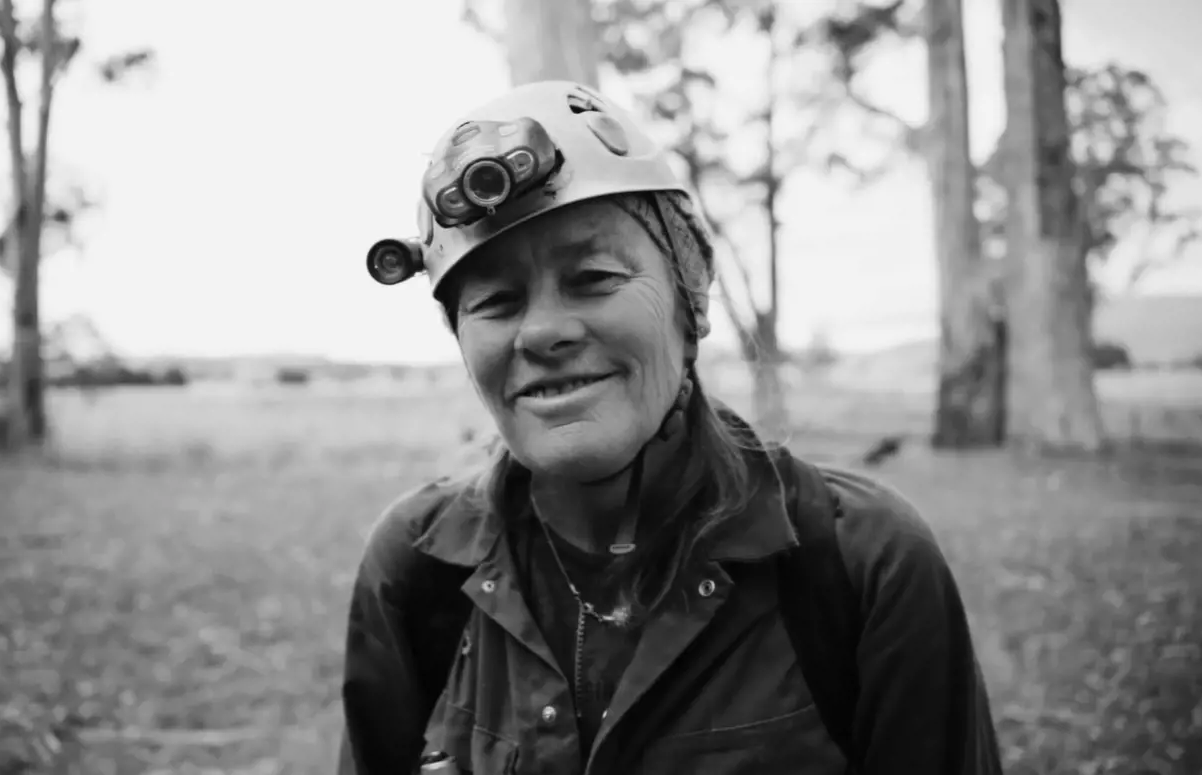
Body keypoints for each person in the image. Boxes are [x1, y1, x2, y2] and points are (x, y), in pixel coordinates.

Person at [339, 80, 1004, 775]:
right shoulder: (417, 568)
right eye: (495, 302)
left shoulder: (858, 561)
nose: (541, 331)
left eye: (593, 277)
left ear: (693, 291)